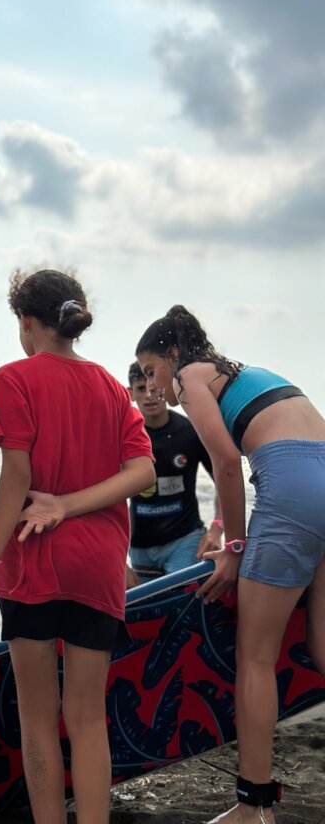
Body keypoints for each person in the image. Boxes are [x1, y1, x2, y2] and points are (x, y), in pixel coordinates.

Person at [0, 270, 154, 824]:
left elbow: (15, 476)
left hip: (34, 564)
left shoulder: (13, 378)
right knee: (87, 717)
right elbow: (142, 470)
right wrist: (74, 504)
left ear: (28, 323)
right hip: (98, 567)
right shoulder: (109, 385)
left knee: (37, 718)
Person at [135, 305, 325, 824]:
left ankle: (252, 805)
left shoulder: (193, 376)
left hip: (291, 492)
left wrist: (235, 547)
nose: (156, 388)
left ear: (172, 355)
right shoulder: (250, 372)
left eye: (152, 371)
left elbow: (223, 461)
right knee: (322, 645)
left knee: (256, 660)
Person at [126, 361, 220, 586]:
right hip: (140, 546)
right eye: (141, 389)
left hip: (184, 539)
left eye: (155, 388)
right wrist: (119, 559)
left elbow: (225, 478)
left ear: (165, 387)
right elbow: (107, 494)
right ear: (130, 393)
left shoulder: (190, 431)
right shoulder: (125, 436)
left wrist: (218, 529)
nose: (149, 395)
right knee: (150, 612)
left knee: (182, 600)